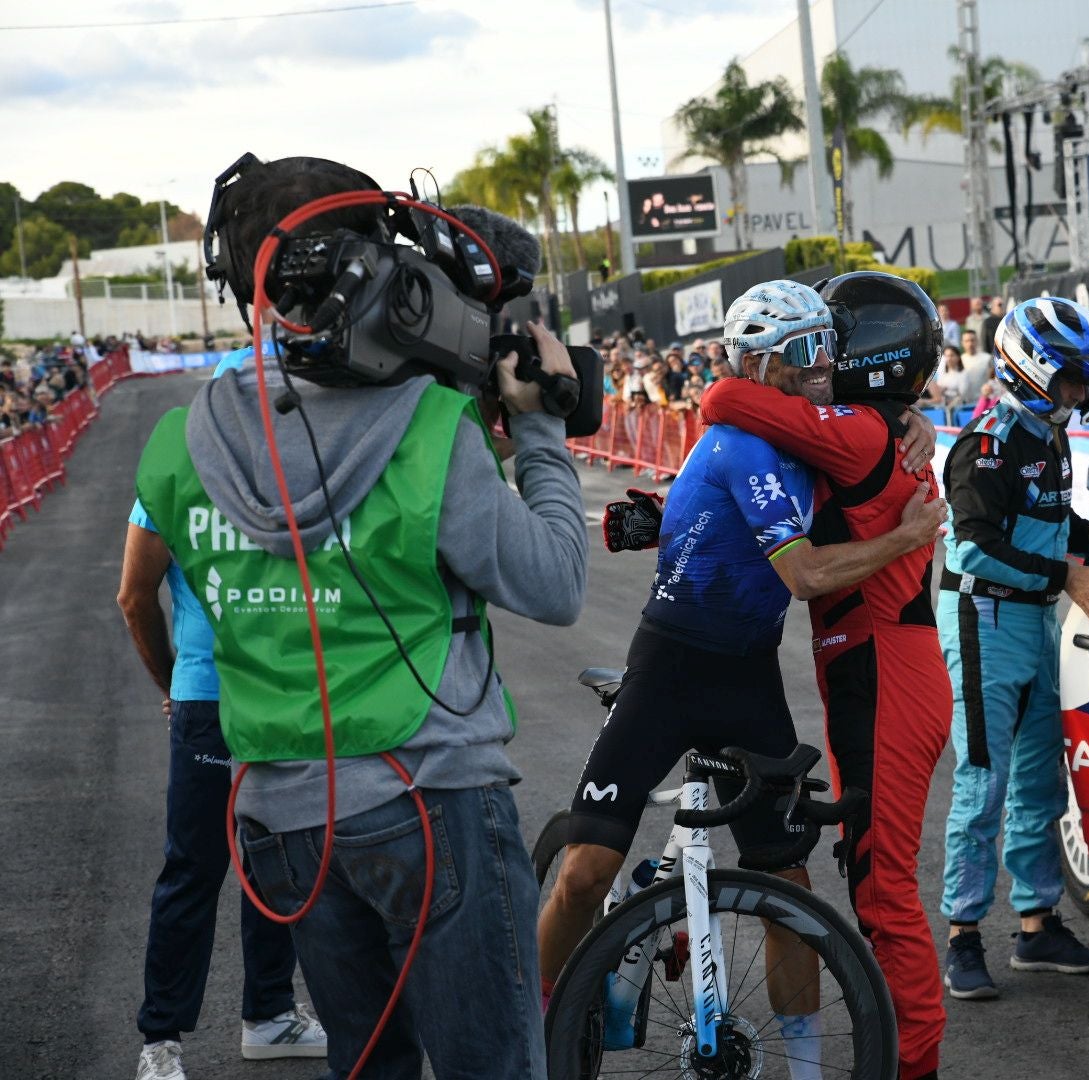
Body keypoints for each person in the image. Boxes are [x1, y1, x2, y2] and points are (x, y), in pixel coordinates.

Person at [135, 153, 587, 1078]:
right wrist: (537, 429)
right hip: (429, 802)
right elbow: (554, 582)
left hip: (281, 819)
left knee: (368, 1065)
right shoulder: (426, 431)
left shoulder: (179, 443)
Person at [542, 279, 947, 1072]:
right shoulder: (742, 439)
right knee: (586, 871)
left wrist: (911, 419)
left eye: (828, 347)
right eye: (805, 353)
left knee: (788, 891)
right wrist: (906, 538)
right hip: (670, 665)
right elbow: (800, 572)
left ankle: (803, 1067)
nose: (823, 366)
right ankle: (540, 1009)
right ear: (759, 361)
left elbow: (845, 452)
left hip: (749, 677)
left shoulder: (810, 434)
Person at [702, 272, 958, 1080]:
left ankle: (910, 1067)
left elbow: (723, 401)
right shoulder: (880, 428)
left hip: (885, 669)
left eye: (829, 345)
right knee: (870, 879)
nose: (819, 360)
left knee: (884, 896)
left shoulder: (855, 432)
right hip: (880, 665)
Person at [120, 343, 328, 1080]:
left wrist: (174, 684)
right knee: (216, 867)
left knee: (260, 865)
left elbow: (133, 596)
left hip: (244, 696)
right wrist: (176, 684)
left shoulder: (303, 466)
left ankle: (259, 1019)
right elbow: (133, 596)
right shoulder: (211, 470)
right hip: (245, 696)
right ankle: (165, 1039)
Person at [938, 297, 1089, 1003]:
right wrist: (1067, 576)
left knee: (1041, 782)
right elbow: (978, 547)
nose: (1081, 394)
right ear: (1035, 369)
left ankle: (1038, 926)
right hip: (984, 619)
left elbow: (1058, 521)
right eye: (1072, 380)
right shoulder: (984, 444)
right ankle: (961, 937)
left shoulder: (1045, 438)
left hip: (1039, 621)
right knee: (983, 782)